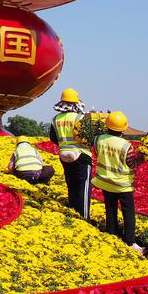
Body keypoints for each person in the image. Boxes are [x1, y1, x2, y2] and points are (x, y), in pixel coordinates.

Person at [92, 110, 144, 254]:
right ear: (123, 129)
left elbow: (97, 154)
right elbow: (131, 163)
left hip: (105, 181)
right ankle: (130, 241)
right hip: (122, 185)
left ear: (107, 126)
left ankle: (111, 233)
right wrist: (143, 158)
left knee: (110, 208)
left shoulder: (98, 139)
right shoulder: (125, 145)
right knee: (128, 213)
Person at [48, 88, 92, 217]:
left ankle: (72, 212)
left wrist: (64, 145)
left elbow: (53, 137)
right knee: (83, 187)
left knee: (71, 185)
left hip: (64, 155)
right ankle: (83, 217)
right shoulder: (80, 117)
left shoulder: (55, 119)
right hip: (81, 155)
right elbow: (89, 138)